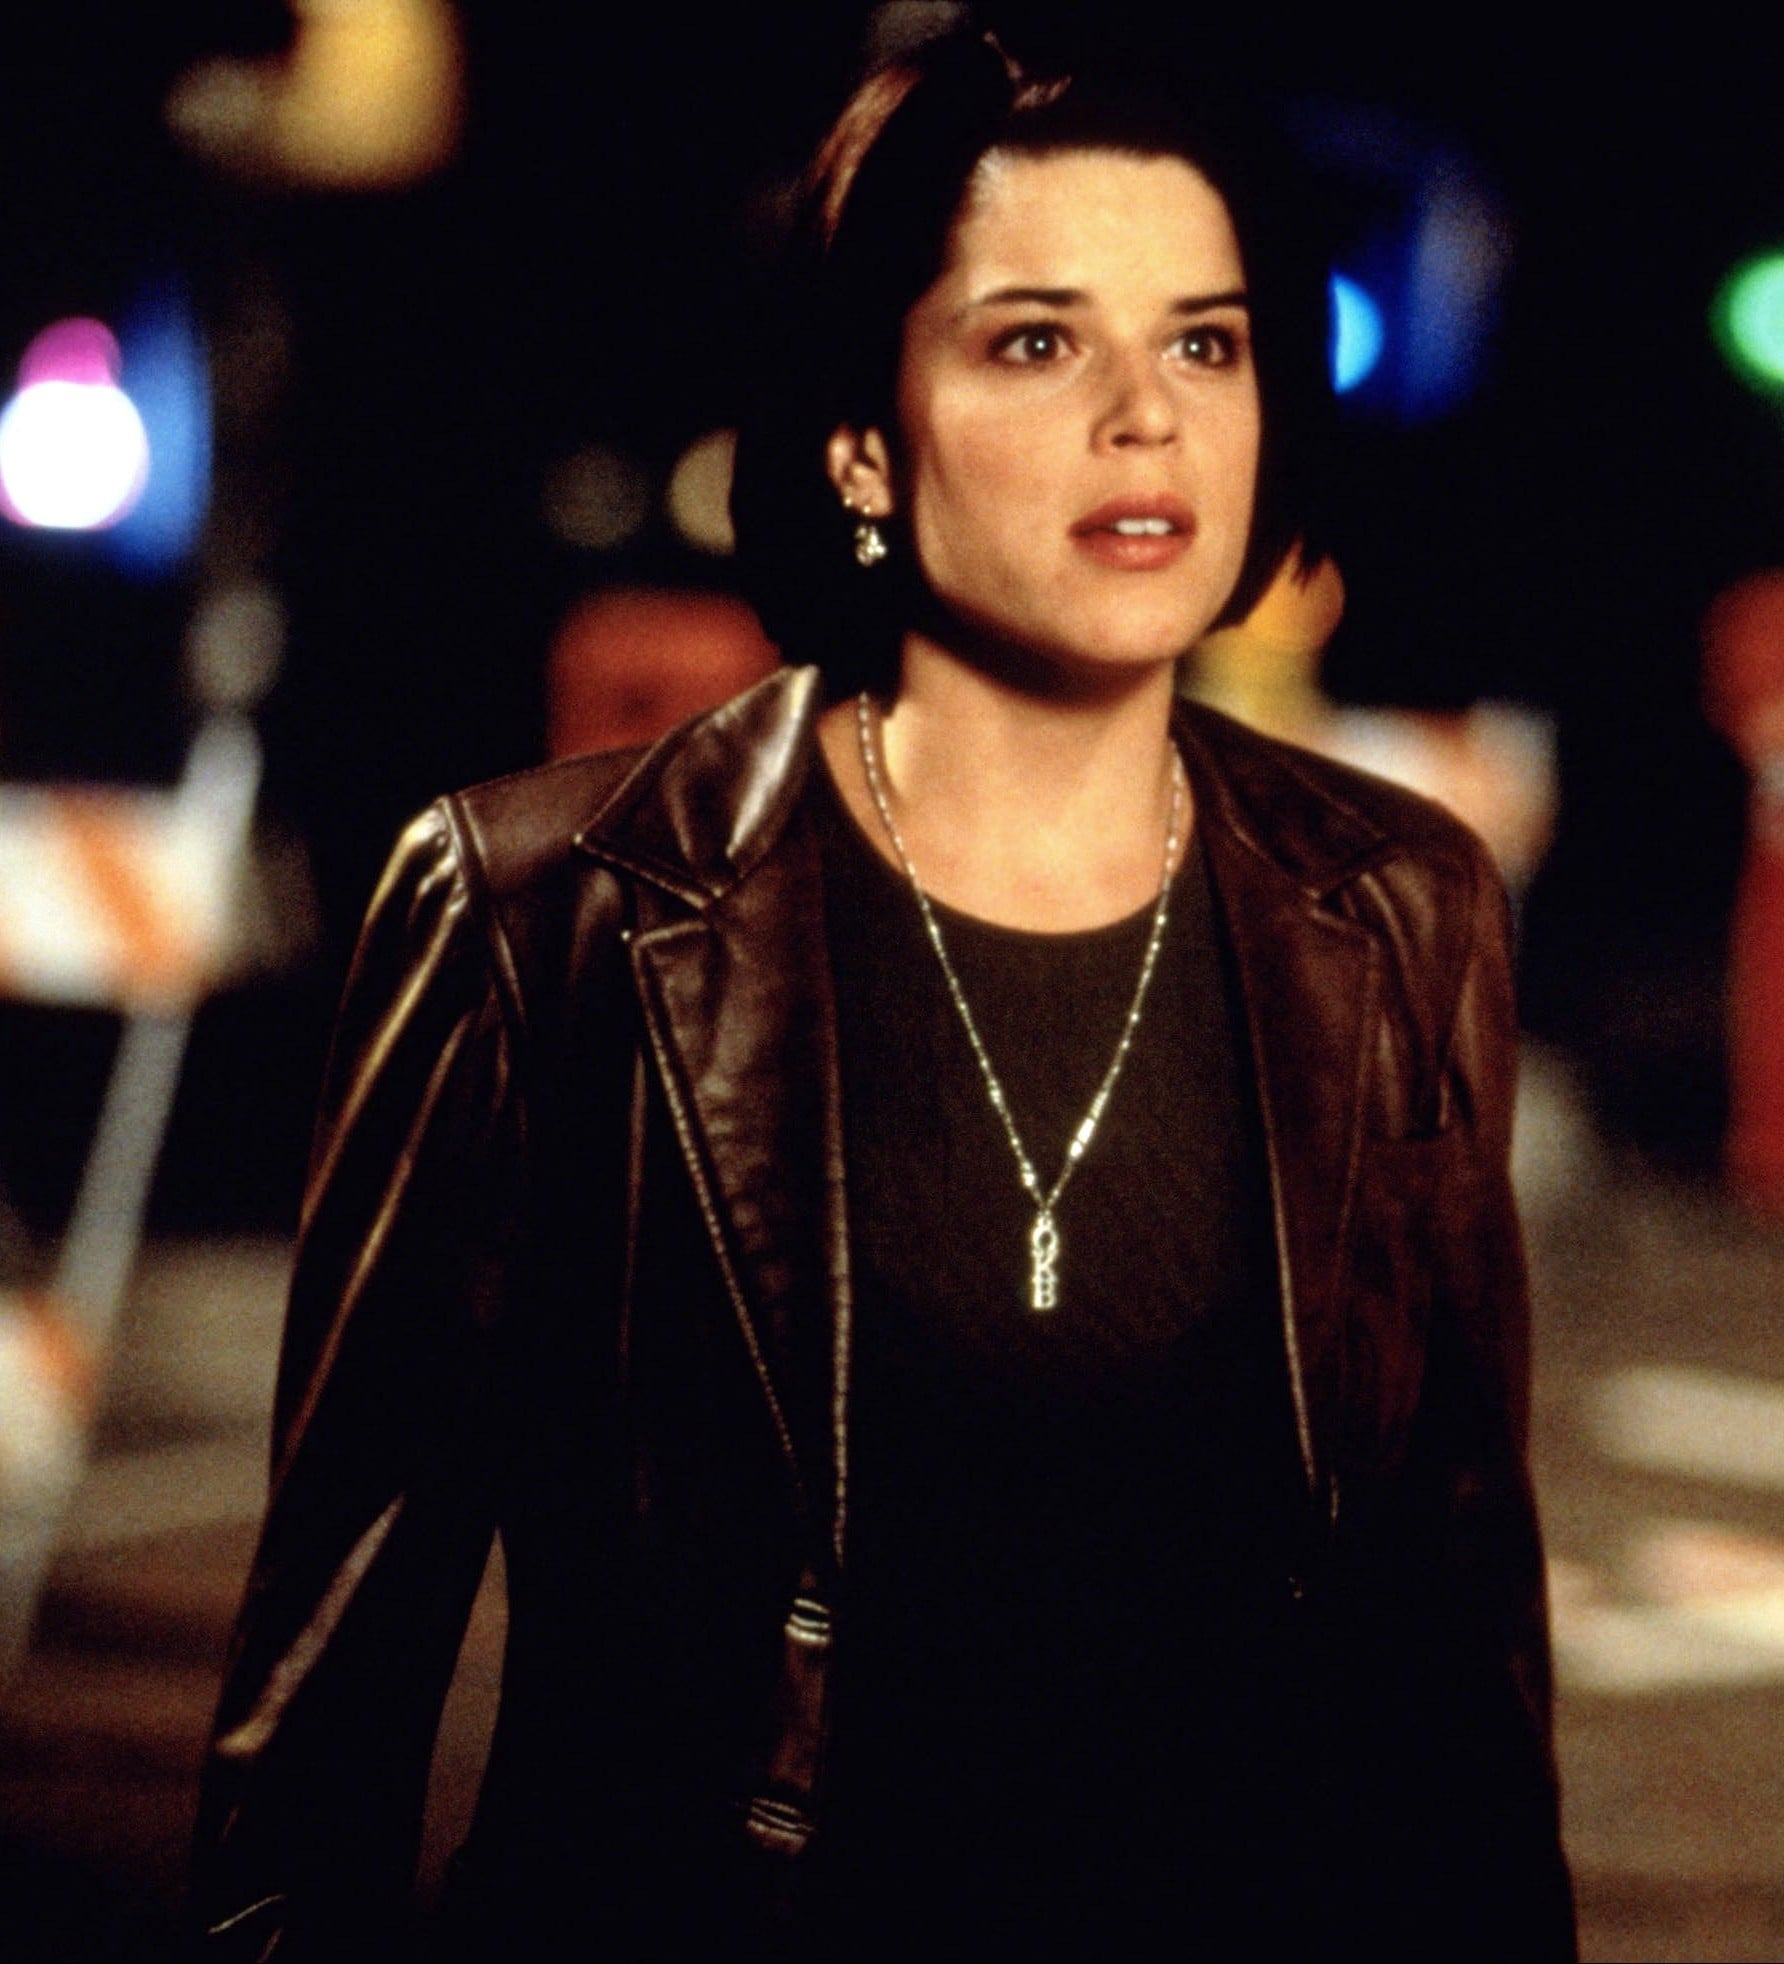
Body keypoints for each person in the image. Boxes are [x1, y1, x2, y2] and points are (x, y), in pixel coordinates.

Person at [189, 27, 1574, 1962]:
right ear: (861, 437)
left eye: (1205, 342)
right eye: (1037, 342)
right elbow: (325, 1711)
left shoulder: (1397, 908)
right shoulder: (550, 920)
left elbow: (1458, 1670)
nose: (1146, 420)